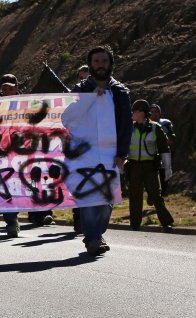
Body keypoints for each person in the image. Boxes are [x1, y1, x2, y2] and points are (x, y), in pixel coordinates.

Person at [71, 46, 132, 256]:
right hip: (85, 154)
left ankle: (98, 233)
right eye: (96, 61)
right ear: (90, 65)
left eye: (104, 61)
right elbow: (69, 119)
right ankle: (92, 238)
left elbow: (126, 125)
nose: (100, 65)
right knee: (89, 197)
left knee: (107, 199)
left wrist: (122, 154)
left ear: (110, 64)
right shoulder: (79, 90)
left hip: (110, 155)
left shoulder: (120, 91)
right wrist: (89, 100)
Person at [127, 100, 174, 232]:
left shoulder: (156, 128)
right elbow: (121, 148)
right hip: (133, 167)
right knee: (135, 196)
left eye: (134, 111)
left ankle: (166, 223)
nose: (132, 113)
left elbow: (164, 149)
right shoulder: (129, 127)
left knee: (156, 196)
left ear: (141, 112)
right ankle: (135, 225)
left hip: (150, 168)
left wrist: (167, 167)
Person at [149, 104, 175, 196]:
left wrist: (164, 143)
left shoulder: (165, 123)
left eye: (156, 111)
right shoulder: (145, 124)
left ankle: (162, 195)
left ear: (160, 113)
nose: (154, 114)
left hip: (163, 152)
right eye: (152, 112)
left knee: (164, 174)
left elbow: (171, 138)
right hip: (150, 153)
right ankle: (151, 195)